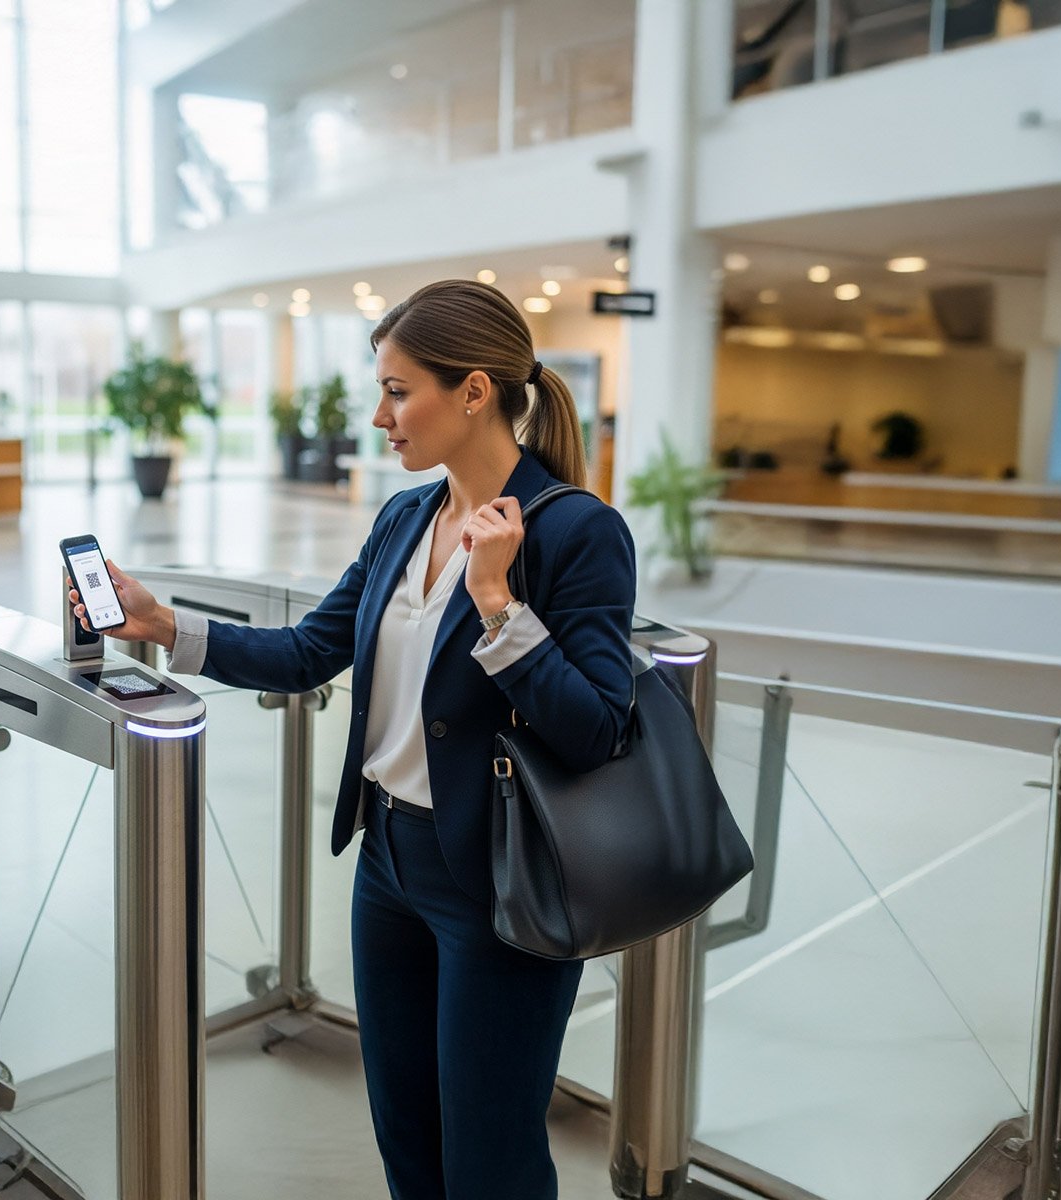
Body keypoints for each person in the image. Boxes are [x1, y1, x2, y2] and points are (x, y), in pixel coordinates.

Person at [69, 279, 637, 1200]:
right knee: (405, 1134)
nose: (379, 417)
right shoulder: (405, 518)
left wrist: (498, 604)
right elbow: (308, 652)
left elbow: (599, 728)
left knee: (490, 1157)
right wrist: (163, 623)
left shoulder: (577, 531)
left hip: (502, 879)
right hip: (388, 866)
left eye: (398, 392)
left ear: (474, 392)